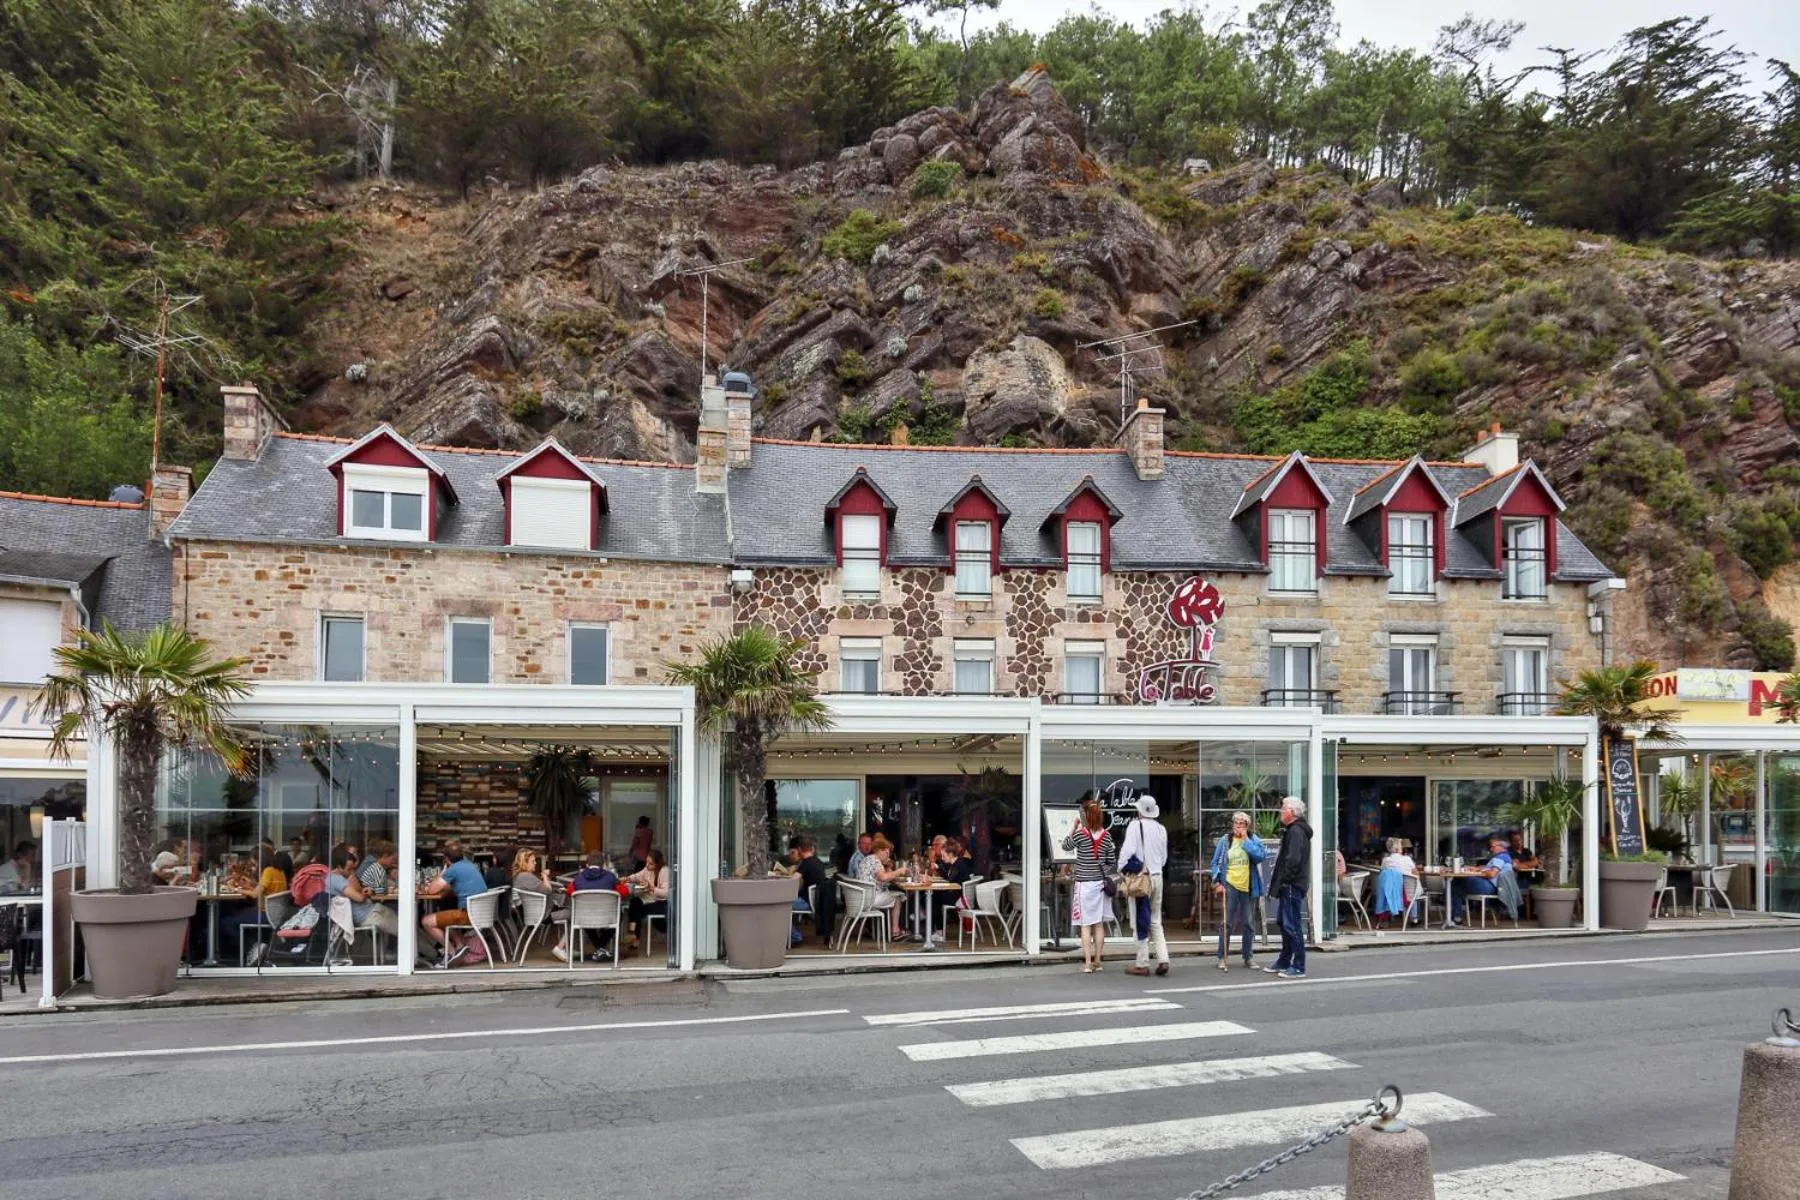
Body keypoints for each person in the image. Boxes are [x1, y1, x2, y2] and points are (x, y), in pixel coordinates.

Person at [1115, 796, 1170, 977]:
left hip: (1141, 879)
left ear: (1139, 810)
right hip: (1157, 876)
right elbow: (1163, 858)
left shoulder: (1134, 826)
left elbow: (1126, 852)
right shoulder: (1161, 829)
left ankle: (1142, 963)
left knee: (1139, 921)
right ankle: (1163, 959)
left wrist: (1121, 870)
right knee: (1155, 920)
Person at [1061, 800, 1117, 973]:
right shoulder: (1106, 836)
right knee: (1098, 924)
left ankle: (1087, 963)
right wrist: (1100, 871)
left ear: (1086, 817)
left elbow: (1065, 845)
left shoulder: (1081, 834)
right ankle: (1098, 961)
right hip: (1099, 885)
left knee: (1085, 925)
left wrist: (1073, 827)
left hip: (1084, 885)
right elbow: (1111, 861)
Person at [1210, 809, 1266, 971]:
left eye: (1242, 824)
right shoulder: (1225, 840)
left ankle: (1248, 956)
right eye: (1236, 823)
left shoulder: (1254, 839)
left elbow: (1259, 857)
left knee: (1248, 923)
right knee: (1227, 922)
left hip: (1248, 886)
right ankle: (1222, 956)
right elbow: (1215, 862)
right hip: (1230, 884)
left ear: (1247, 826)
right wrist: (1217, 881)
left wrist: (1246, 839)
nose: (1238, 826)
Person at [1264, 796, 1311, 979]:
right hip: (1290, 884)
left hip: (1292, 884)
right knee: (1284, 923)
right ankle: (1284, 961)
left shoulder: (1296, 831)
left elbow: (1293, 860)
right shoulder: (1294, 830)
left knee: (1291, 924)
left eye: (1283, 809)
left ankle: (1298, 966)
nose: (1280, 812)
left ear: (1292, 812)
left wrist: (1285, 880)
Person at [419, 842, 488, 966]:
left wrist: (443, 872)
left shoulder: (453, 869)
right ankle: (460, 947)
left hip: (467, 915)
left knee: (426, 921)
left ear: (446, 859)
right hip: (479, 913)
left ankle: (451, 953)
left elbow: (431, 890)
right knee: (445, 914)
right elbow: (456, 885)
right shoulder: (469, 865)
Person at [325, 846, 398, 959]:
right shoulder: (337, 880)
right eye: (349, 869)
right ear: (339, 867)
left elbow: (358, 890)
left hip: (371, 910)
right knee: (404, 927)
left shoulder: (337, 878)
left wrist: (361, 889)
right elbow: (359, 898)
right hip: (365, 916)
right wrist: (362, 892)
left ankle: (420, 951)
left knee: (401, 920)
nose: (352, 872)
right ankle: (422, 953)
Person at [509, 847, 571, 961]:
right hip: (543, 915)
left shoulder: (520, 877)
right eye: (533, 861)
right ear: (524, 863)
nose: (535, 863)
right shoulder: (526, 877)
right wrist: (545, 876)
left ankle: (566, 947)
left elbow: (541, 889)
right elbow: (547, 890)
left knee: (569, 909)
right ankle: (561, 947)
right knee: (575, 913)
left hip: (536, 912)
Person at [566, 851, 627, 961]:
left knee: (582, 916)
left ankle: (599, 947)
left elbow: (570, 891)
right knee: (620, 914)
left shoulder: (578, 878)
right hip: (607, 916)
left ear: (587, 864)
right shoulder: (610, 877)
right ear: (603, 864)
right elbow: (624, 892)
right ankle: (601, 947)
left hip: (584, 917)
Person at [1446, 835, 1514, 927]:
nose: (1491, 849)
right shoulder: (1505, 857)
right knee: (1457, 885)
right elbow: (1488, 867)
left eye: (1493, 846)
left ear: (1502, 847)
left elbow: (1492, 874)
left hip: (1490, 887)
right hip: (1495, 887)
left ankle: (1455, 916)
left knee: (1456, 881)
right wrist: (1476, 868)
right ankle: (1456, 916)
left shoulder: (1500, 857)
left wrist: (1477, 873)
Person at [854, 834, 910, 942]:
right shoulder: (875, 860)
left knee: (896, 895)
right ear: (880, 850)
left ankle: (891, 929)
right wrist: (899, 871)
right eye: (887, 852)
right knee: (898, 898)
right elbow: (883, 877)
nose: (888, 855)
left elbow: (882, 878)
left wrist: (888, 867)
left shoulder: (868, 859)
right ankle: (895, 932)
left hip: (863, 897)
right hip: (870, 899)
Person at [788, 836, 835, 946]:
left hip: (807, 902)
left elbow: (792, 880)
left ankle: (795, 937)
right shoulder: (818, 862)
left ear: (799, 850)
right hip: (818, 901)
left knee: (780, 907)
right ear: (812, 848)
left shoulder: (806, 863)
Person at [623, 848, 670, 952]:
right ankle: (633, 936)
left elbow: (666, 893)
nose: (647, 866)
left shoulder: (664, 871)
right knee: (634, 902)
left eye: (651, 864)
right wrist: (628, 879)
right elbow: (637, 876)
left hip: (662, 903)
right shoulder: (647, 869)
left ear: (657, 864)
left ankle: (633, 937)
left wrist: (651, 888)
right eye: (646, 862)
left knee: (636, 908)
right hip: (651, 899)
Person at [1373, 837, 1417, 928]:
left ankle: (1386, 918)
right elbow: (1416, 874)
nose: (1402, 848)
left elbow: (1383, 873)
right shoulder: (1407, 859)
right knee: (1416, 890)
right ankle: (1414, 918)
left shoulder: (1385, 860)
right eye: (1401, 846)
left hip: (1391, 891)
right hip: (1406, 891)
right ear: (1397, 849)